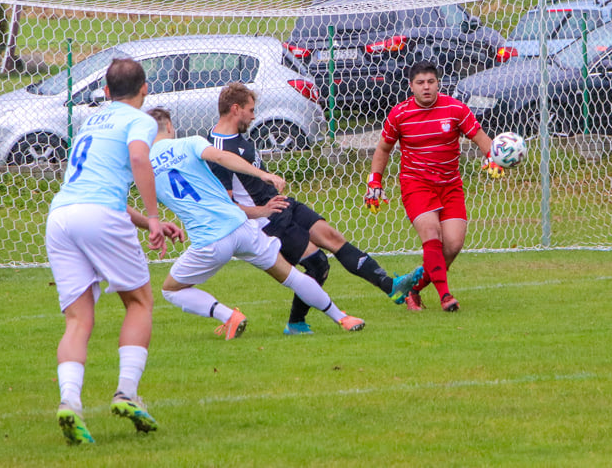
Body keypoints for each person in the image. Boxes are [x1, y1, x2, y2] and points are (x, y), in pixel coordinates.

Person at [207, 82, 422, 336]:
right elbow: (227, 206)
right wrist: (263, 210)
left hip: (281, 205)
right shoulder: (218, 151)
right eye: (251, 110)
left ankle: (391, 285)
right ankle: (296, 323)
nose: (254, 116)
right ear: (235, 109)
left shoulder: (234, 135)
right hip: (267, 221)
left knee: (333, 237)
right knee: (318, 264)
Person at [46, 58, 185, 445]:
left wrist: (144, 222)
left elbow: (96, 185)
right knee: (139, 302)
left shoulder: (91, 121)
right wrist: (156, 217)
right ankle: (126, 392)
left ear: (106, 91)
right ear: (145, 90)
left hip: (60, 215)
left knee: (77, 320)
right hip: (98, 215)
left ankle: (70, 402)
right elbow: (140, 158)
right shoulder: (138, 119)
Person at [147, 107, 366, 340]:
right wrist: (261, 173)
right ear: (170, 126)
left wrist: (153, 225)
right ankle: (342, 318)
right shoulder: (190, 142)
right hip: (241, 227)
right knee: (291, 276)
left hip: (210, 242)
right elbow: (221, 156)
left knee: (170, 289)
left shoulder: (142, 168)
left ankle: (229, 316)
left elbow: (119, 204)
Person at [366, 60, 503, 312]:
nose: (426, 87)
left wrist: (493, 157)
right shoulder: (400, 114)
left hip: (450, 186)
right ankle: (446, 296)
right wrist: (375, 181)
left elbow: (480, 137)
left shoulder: (455, 109)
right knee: (431, 235)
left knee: (452, 245)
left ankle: (413, 288)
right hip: (416, 185)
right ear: (411, 86)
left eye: (431, 82)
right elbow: (383, 148)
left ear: (438, 83)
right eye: (420, 83)